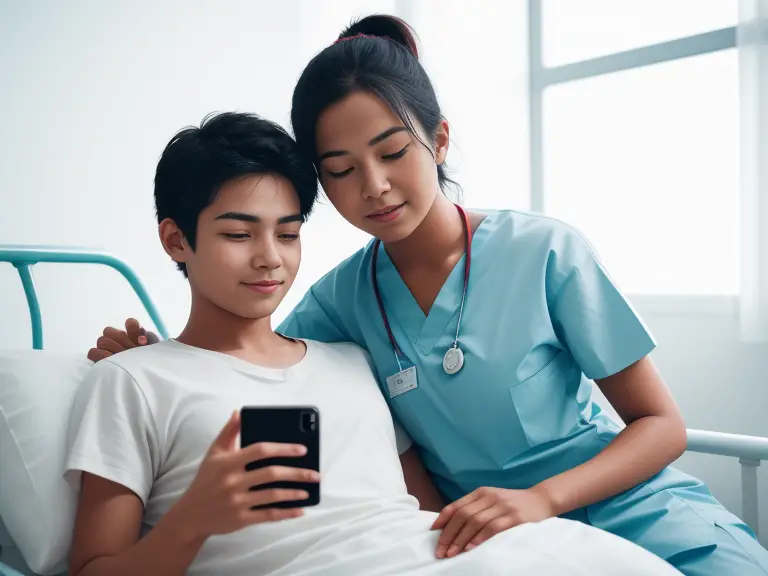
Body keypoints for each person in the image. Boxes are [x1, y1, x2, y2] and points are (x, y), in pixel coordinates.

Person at [87, 15, 768, 576]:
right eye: (342, 170)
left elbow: (663, 426)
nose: (374, 186)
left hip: (630, 506)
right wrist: (147, 355)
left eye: (393, 153)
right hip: (483, 541)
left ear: (438, 142)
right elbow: (244, 358)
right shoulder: (338, 304)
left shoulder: (542, 252)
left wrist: (540, 500)